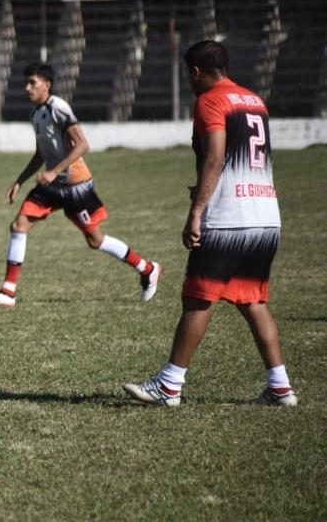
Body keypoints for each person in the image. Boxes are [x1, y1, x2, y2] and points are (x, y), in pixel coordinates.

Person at [124, 40, 296, 407]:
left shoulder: (209, 100)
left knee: (197, 299)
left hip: (229, 218)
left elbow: (216, 158)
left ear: (195, 72)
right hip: (265, 215)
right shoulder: (254, 100)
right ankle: (280, 386)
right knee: (253, 300)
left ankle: (169, 385)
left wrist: (196, 211)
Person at [0, 61, 160, 307]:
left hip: (76, 186)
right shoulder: (35, 113)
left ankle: (147, 269)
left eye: (33, 83)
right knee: (19, 225)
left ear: (47, 85)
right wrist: (20, 180)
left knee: (95, 240)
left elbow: (83, 144)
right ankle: (8, 293)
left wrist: (54, 171)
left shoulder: (58, 108)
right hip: (52, 186)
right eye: (25, 83)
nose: (27, 88)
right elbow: (41, 152)